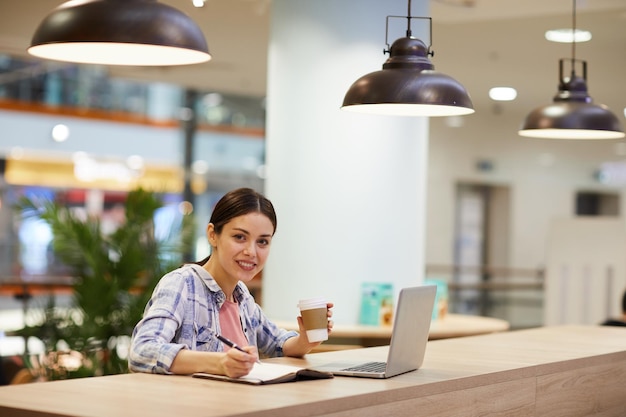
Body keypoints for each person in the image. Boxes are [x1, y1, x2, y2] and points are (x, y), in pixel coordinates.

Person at [128, 187, 333, 378]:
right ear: (212, 235)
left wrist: (306, 339)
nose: (251, 252)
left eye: (262, 241)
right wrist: (218, 363)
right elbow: (142, 351)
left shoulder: (242, 297)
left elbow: (278, 343)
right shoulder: (182, 284)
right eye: (239, 237)